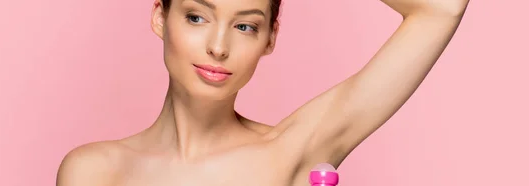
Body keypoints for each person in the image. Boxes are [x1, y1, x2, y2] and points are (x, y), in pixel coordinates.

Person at [56, 0, 469, 185]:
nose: (218, 47)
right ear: (161, 17)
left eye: (245, 25)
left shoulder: (292, 151)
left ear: (271, 38)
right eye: (197, 16)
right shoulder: (93, 172)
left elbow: (441, 7)